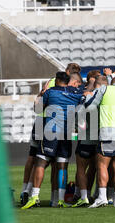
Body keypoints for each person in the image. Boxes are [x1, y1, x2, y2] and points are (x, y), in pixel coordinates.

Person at [22, 72, 85, 209]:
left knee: (40, 163)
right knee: (62, 166)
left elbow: (38, 110)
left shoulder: (50, 92)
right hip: (66, 134)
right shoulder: (75, 93)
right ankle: (61, 200)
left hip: (50, 132)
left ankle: (34, 197)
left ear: (57, 80)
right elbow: (83, 103)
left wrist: (40, 94)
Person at [80, 76, 115, 208]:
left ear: (112, 83)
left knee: (102, 165)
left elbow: (89, 106)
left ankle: (102, 197)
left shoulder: (105, 89)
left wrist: (88, 95)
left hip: (108, 131)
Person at [72, 76, 108, 207]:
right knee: (95, 168)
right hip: (100, 140)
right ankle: (96, 194)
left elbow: (78, 118)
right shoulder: (106, 101)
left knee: (81, 169)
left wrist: (79, 128)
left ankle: (83, 197)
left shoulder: (88, 99)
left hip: (86, 139)